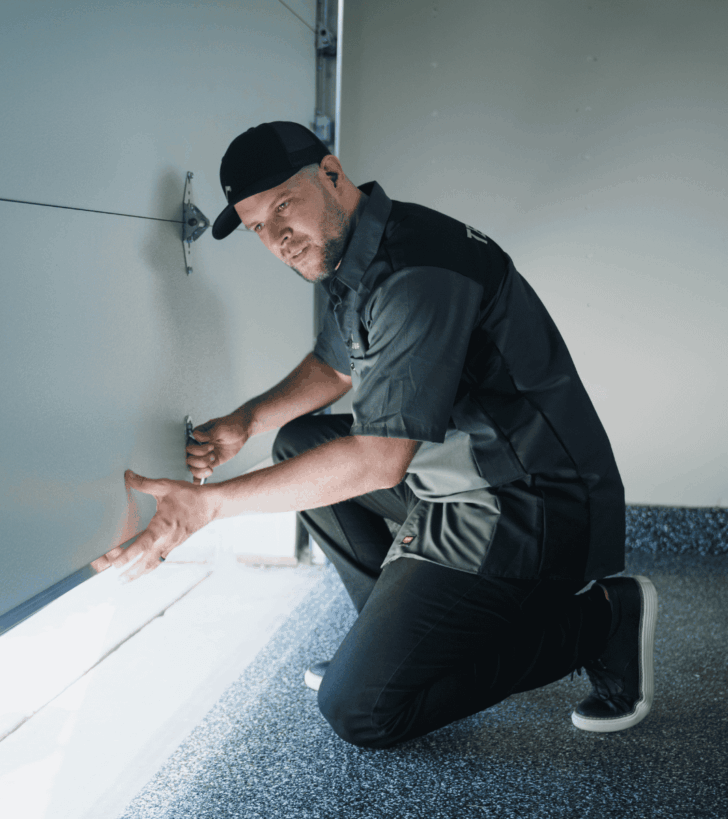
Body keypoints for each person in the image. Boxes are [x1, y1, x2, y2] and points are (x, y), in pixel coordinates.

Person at [90, 121, 657, 748]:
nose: (277, 239)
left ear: (332, 175)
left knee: (362, 712)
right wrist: (249, 420)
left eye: (284, 207)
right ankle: (396, 643)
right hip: (461, 472)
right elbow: (334, 366)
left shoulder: (416, 271)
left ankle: (603, 620)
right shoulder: (358, 250)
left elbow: (378, 461)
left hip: (528, 500)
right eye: (257, 228)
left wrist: (210, 506)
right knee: (296, 443)